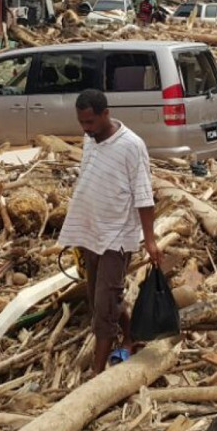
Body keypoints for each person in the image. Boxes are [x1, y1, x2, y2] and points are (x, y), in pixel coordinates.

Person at [58, 89, 162, 374]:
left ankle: (96, 373)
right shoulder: (90, 140)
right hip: (91, 233)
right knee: (101, 300)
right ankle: (130, 337)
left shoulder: (131, 146)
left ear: (106, 114)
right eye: (81, 122)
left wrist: (150, 240)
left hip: (118, 237)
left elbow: (143, 195)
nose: (86, 128)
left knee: (103, 309)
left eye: (90, 122)